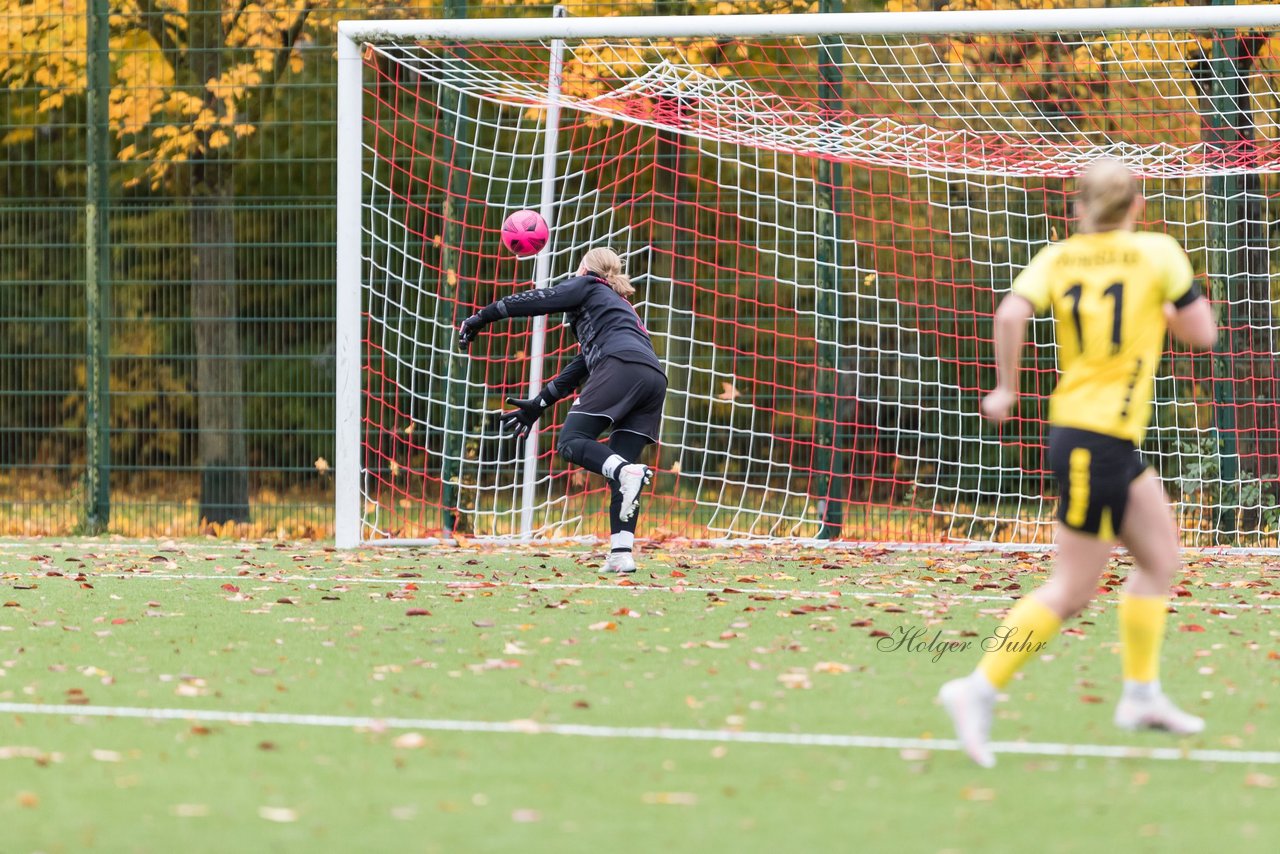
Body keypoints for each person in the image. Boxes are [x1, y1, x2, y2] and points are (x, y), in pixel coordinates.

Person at [939, 159, 1218, 768]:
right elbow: (1202, 334)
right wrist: (1167, 313)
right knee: (1071, 588)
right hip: (1097, 437)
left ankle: (1141, 697)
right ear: (1137, 204)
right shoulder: (1158, 252)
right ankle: (977, 688)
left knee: (1161, 559)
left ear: (1079, 206)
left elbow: (1011, 313)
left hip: (1096, 433)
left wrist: (1007, 388)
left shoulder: (1058, 256)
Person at [457, 247, 667, 574]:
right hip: (653, 378)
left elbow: (539, 299)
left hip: (621, 367)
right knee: (620, 468)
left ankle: (628, 475)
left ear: (587, 269)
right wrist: (538, 404)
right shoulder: (619, 308)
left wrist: (483, 315)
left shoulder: (588, 286)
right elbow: (580, 367)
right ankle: (622, 553)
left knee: (571, 442)